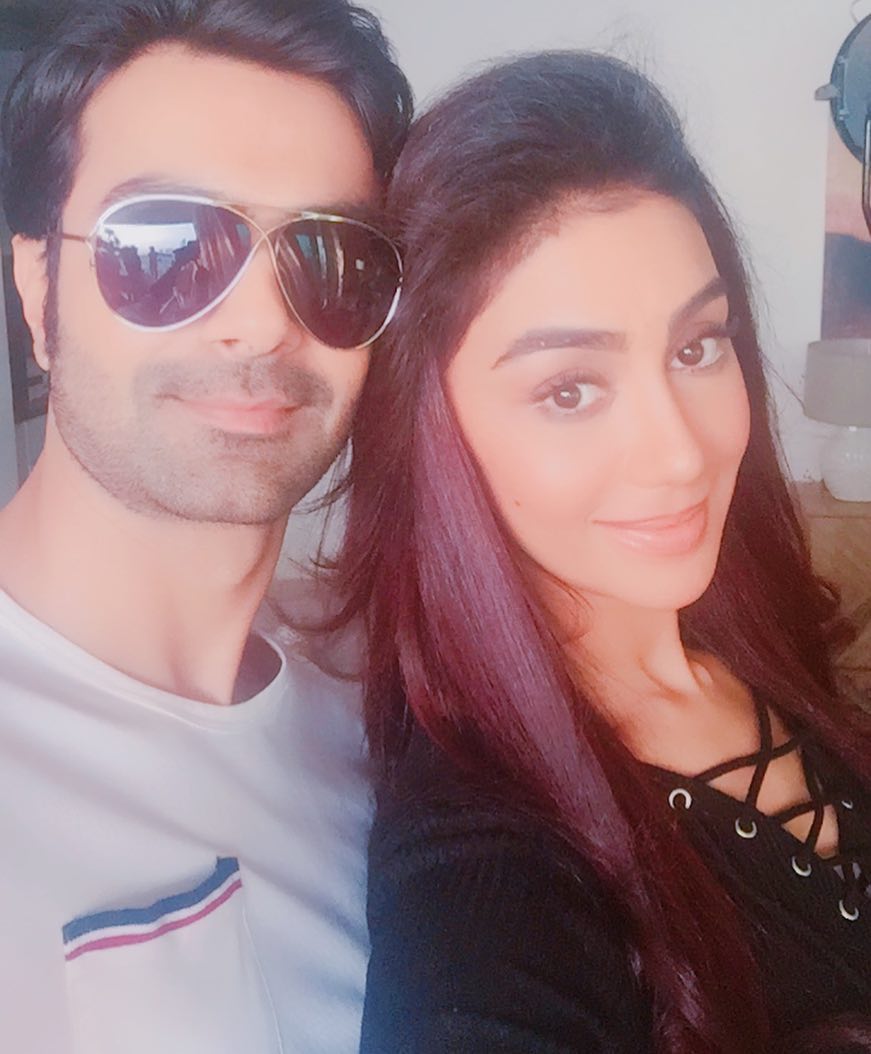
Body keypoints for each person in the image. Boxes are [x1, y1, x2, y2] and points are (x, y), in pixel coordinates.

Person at [333, 52, 871, 1052]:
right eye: (569, 389)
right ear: (429, 428)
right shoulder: (481, 863)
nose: (681, 452)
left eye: (695, 347)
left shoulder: (762, 640)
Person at [0, 2, 410, 1051]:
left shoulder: (382, 719)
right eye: (167, 244)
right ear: (37, 288)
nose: (262, 322)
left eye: (330, 256)